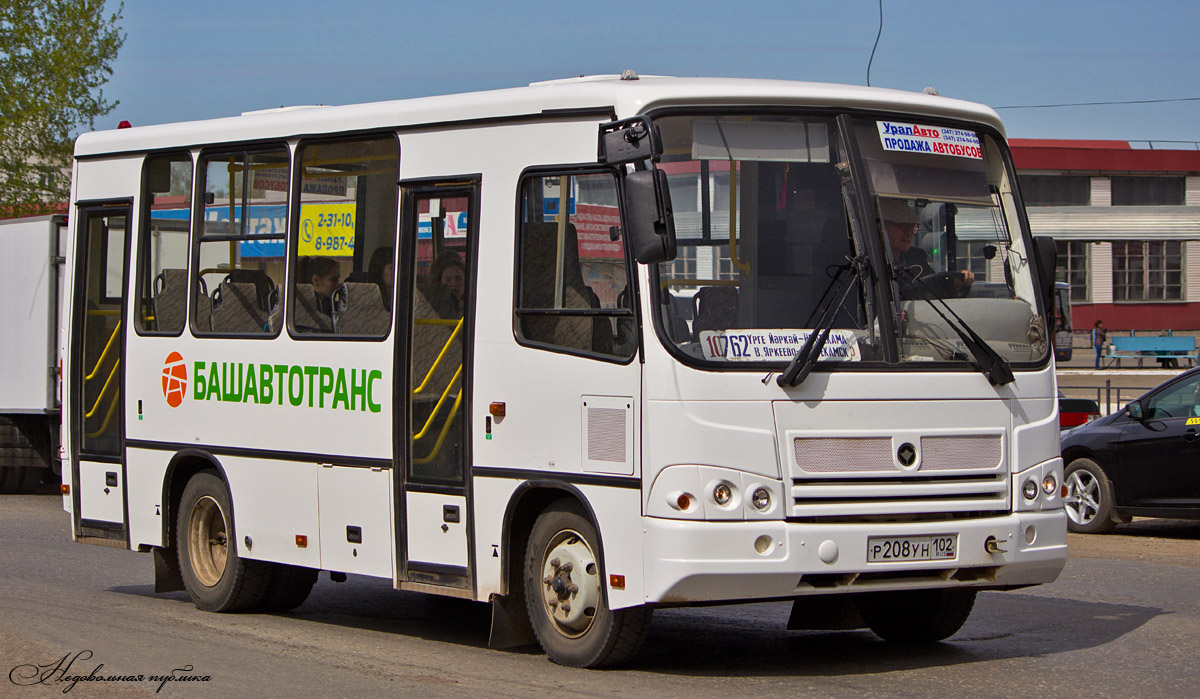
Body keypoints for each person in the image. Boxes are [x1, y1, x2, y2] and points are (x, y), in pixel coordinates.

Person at [879, 198, 974, 298]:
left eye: (912, 227)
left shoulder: (916, 257)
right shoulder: (872, 260)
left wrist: (956, 283)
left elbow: (934, 285)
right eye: (902, 226)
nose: (908, 233)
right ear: (882, 227)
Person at [423, 250, 466, 318]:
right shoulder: (432, 309)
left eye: (458, 278)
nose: (454, 284)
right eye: (448, 280)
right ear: (439, 282)